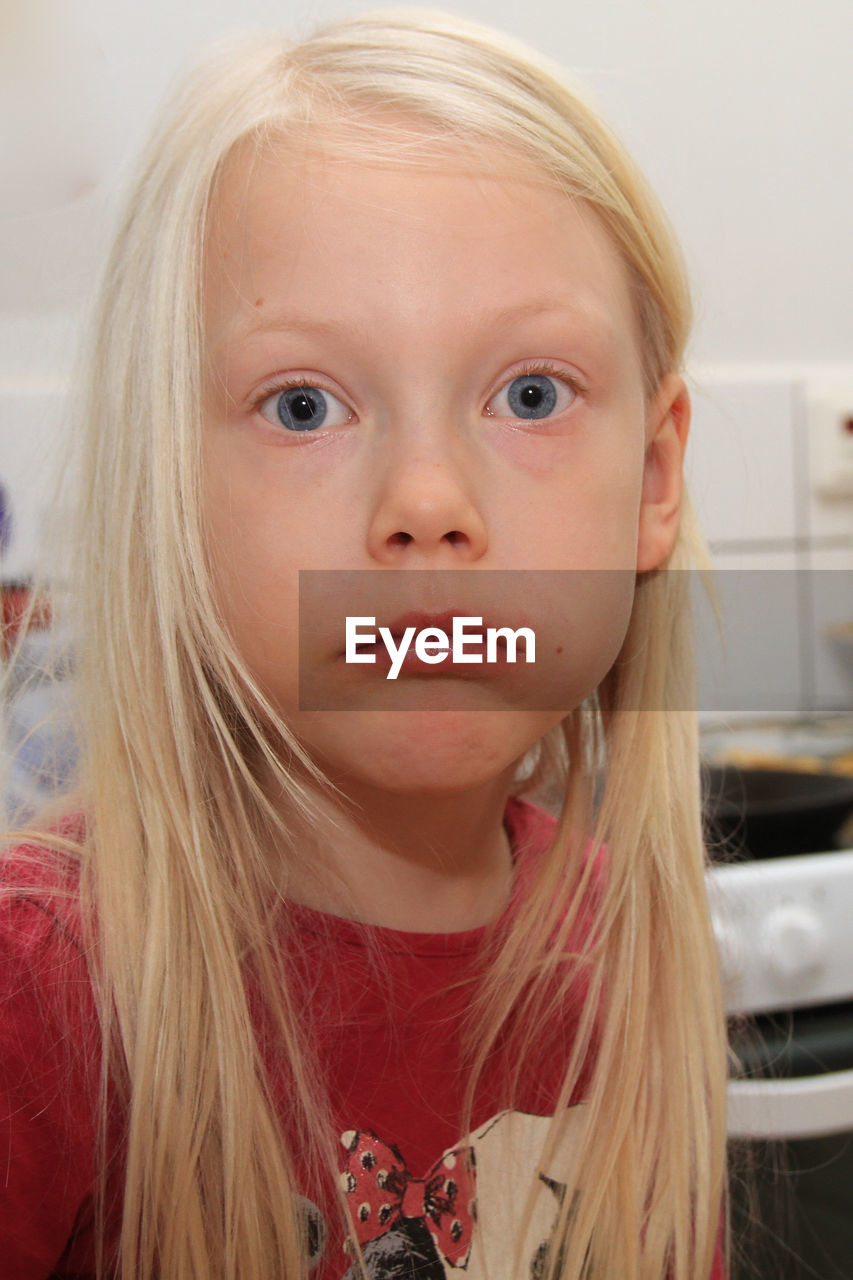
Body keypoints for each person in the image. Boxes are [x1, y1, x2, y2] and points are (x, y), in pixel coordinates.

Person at [0, 9, 728, 1279]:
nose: (427, 499)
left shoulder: (629, 951)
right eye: (304, 405)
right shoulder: (44, 991)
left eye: (531, 394)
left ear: (655, 478)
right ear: (169, 483)